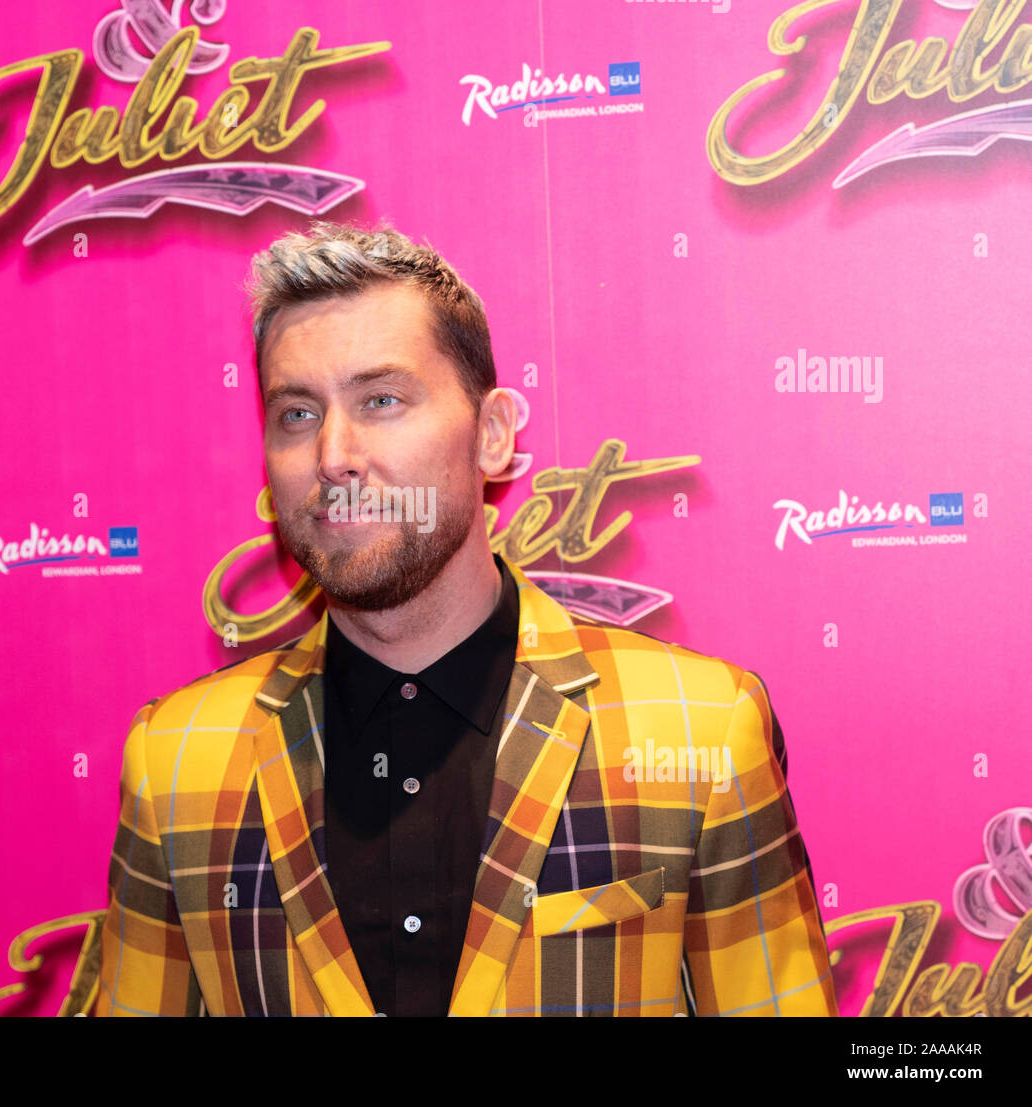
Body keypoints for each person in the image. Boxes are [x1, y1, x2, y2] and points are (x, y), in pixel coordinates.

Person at [94, 221, 838, 1016]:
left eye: (381, 399)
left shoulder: (697, 731)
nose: (333, 455)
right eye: (297, 414)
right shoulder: (175, 763)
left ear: (491, 437)